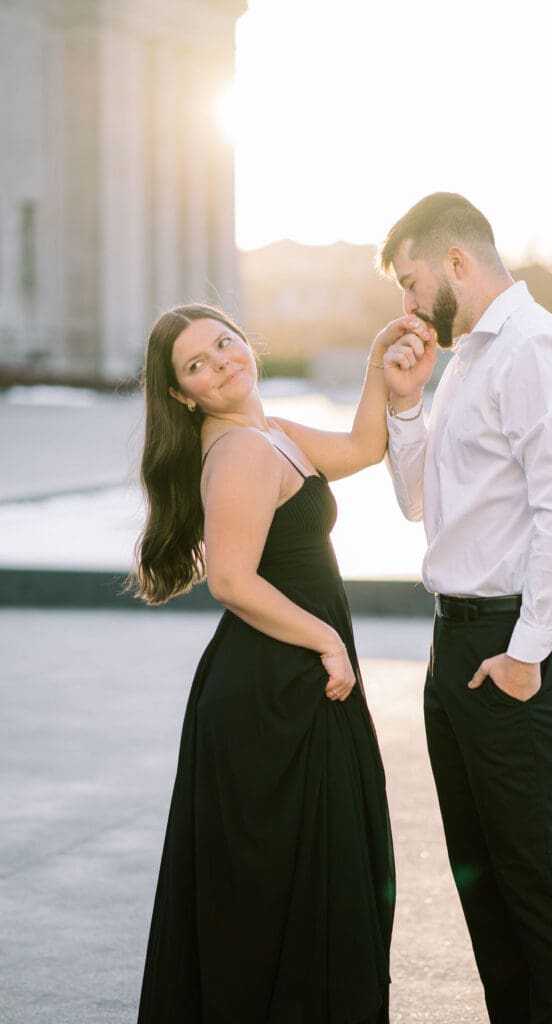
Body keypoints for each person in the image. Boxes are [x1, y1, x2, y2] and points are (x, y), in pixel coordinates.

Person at [132, 303, 428, 1023]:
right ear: (182, 394)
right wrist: (326, 639)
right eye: (196, 364)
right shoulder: (238, 452)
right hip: (273, 692)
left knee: (316, 879)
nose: (221, 363)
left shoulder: (270, 433)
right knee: (292, 889)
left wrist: (376, 370)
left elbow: (361, 448)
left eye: (224, 344)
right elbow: (232, 580)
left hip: (289, 680)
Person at [374, 193, 552, 1023]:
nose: (405, 306)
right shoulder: (469, 359)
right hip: (456, 647)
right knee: (487, 891)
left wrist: (525, 652)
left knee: (536, 888)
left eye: (409, 283)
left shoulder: (535, 350)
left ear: (455, 263)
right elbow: (420, 505)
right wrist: (406, 403)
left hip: (512, 647)